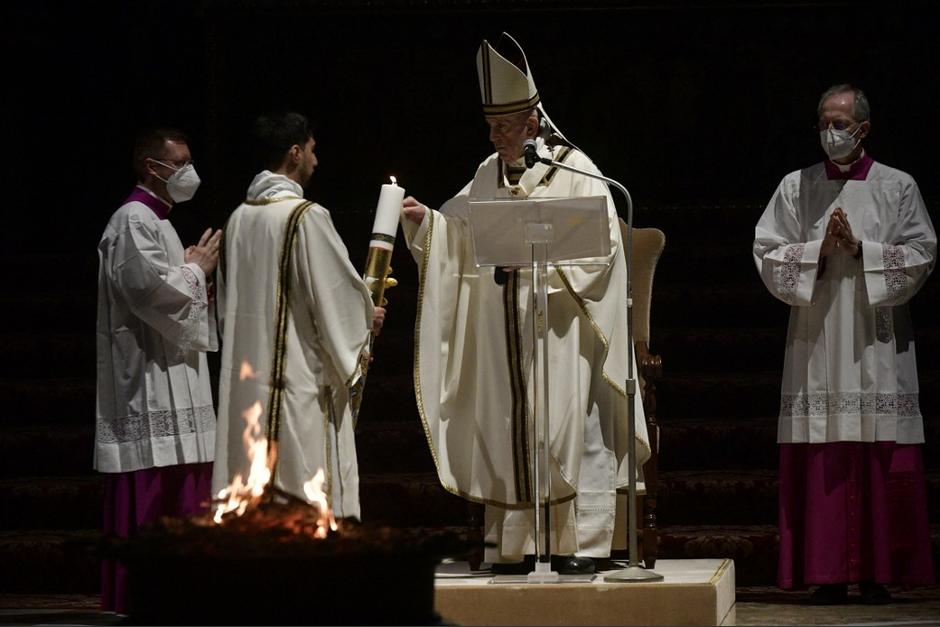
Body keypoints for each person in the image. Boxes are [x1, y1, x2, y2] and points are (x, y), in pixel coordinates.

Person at [401, 33, 650, 574]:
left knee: (565, 427)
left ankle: (577, 546)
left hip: (558, 327)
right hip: (502, 327)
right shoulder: (487, 173)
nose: (494, 138)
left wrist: (543, 264)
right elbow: (462, 235)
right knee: (506, 425)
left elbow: (602, 249)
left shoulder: (577, 170)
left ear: (533, 125)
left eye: (503, 128)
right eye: (491, 128)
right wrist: (428, 227)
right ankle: (511, 549)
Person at [754, 84, 936, 604]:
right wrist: (817, 249)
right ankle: (827, 572)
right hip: (818, 340)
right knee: (824, 447)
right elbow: (766, 251)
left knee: (878, 445)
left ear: (863, 128)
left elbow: (923, 252)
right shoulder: (796, 187)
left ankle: (880, 571)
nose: (829, 132)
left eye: (839, 122)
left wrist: (862, 250)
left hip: (873, 340)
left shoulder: (898, 186)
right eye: (822, 122)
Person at [211, 112, 383, 519]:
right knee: (304, 490)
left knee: (254, 496)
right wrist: (365, 320)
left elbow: (226, 312)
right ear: (294, 153)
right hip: (299, 383)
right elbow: (334, 295)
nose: (315, 161)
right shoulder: (305, 217)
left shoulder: (237, 219)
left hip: (246, 387)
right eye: (311, 150)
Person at [96, 127, 221, 613]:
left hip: (174, 372)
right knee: (153, 482)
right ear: (153, 166)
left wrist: (196, 277)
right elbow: (146, 292)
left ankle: (184, 595)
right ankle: (142, 597)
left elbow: (176, 295)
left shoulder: (161, 223)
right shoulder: (132, 220)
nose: (189, 171)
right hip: (147, 379)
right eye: (181, 161)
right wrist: (196, 272)